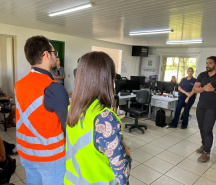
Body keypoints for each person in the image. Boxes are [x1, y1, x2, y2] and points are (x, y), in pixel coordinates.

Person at [65, 51, 131, 185]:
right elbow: (122, 174)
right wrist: (127, 153)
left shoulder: (72, 109)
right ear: (107, 79)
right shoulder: (104, 118)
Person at [14, 35, 69, 184]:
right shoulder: (55, 87)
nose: (55, 57)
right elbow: (68, 126)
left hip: (26, 152)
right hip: (50, 157)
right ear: (46, 55)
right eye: (53, 53)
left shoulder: (19, 84)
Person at [193, 56, 216, 162]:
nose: (207, 65)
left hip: (213, 107)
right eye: (207, 63)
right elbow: (195, 88)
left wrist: (213, 89)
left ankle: (207, 152)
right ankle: (204, 145)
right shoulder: (202, 75)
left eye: (210, 63)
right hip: (201, 105)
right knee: (201, 127)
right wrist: (204, 88)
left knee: (207, 129)